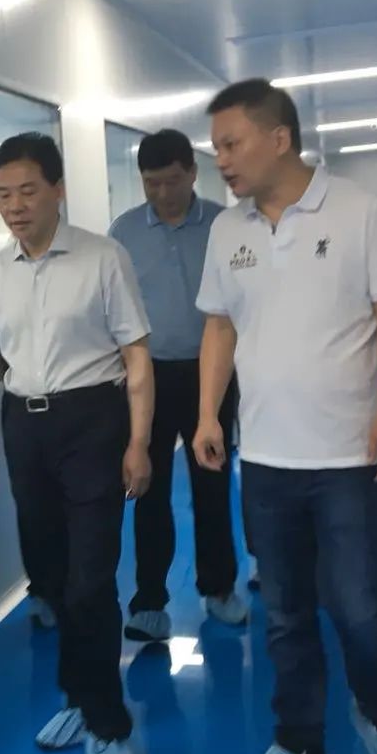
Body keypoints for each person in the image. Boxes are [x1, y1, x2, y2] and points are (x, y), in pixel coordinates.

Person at [192, 79, 377, 754]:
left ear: (279, 138)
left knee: (358, 603)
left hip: (346, 454)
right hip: (265, 458)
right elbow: (220, 327)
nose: (221, 159)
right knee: (286, 610)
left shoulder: (360, 210)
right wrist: (208, 415)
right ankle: (300, 740)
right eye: (216, 146)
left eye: (231, 144)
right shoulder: (228, 231)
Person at [0, 132, 154, 754]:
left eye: (27, 191)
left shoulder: (103, 258)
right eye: (3, 194)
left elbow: (136, 356)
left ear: (57, 190)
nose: (15, 206)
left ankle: (109, 726)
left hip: (94, 421)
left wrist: (138, 442)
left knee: (91, 580)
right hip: (25, 427)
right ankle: (79, 694)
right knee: (51, 575)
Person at [109, 128, 247, 640]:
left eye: (172, 181)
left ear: (192, 172)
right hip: (146, 377)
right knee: (147, 488)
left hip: (212, 374)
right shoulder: (124, 233)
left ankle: (219, 588)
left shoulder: (224, 225)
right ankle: (149, 602)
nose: (163, 193)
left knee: (212, 484)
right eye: (152, 183)